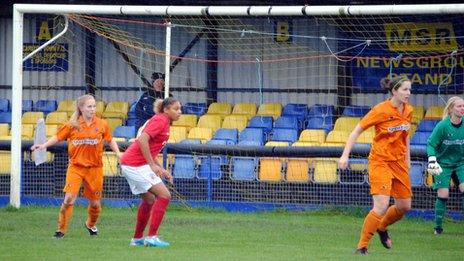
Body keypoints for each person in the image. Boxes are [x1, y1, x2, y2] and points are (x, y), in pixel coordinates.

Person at [338, 76, 413, 255]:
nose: (408, 94)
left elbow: (406, 136)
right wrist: (345, 155)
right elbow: (356, 130)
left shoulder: (408, 110)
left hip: (399, 162)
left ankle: (382, 226)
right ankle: (361, 247)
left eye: (410, 90)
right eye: (405, 90)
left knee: (405, 206)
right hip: (380, 162)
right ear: (394, 91)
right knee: (381, 206)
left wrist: (408, 160)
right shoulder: (380, 110)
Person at [31, 94, 122, 239]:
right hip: (76, 167)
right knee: (69, 199)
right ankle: (61, 230)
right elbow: (57, 137)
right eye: (89, 106)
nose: (93, 109)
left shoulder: (102, 124)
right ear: (81, 108)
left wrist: (118, 153)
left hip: (95, 169)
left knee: (96, 205)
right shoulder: (72, 125)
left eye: (94, 106)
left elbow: (110, 140)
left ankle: (90, 224)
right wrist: (43, 145)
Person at [120, 97, 181, 247]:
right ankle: (152, 237)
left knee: (149, 200)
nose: (180, 112)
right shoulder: (160, 120)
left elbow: (151, 148)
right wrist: (151, 165)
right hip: (134, 164)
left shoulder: (164, 121)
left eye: (180, 109)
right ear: (166, 109)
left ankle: (137, 239)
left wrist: (160, 168)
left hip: (134, 164)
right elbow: (142, 140)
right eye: (176, 109)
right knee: (164, 195)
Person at [426, 96, 464, 235]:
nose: (462, 109)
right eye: (459, 106)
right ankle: (438, 227)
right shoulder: (442, 126)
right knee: (443, 194)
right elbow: (431, 144)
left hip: (460, 163)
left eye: (463, 106)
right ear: (451, 109)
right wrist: (432, 160)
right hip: (443, 164)